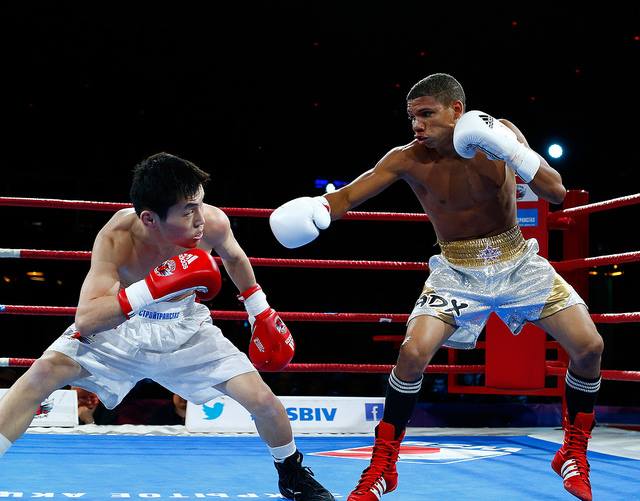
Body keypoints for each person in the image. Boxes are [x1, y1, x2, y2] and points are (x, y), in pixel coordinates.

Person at [269, 73, 603, 501]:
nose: (417, 126)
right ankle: (384, 464)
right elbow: (347, 197)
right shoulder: (407, 158)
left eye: (426, 114)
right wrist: (316, 209)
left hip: (518, 261)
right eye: (412, 117)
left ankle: (573, 452)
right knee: (412, 353)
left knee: (590, 347)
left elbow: (555, 191)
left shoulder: (498, 134)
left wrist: (508, 148)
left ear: (456, 110)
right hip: (457, 271)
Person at [0, 152, 334, 501]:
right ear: (150, 218)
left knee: (264, 400)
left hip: (187, 328)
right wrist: (150, 288)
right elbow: (87, 318)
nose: (200, 220)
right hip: (122, 327)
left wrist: (258, 310)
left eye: (200, 205)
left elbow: (235, 258)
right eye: (188, 210)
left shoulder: (213, 223)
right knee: (41, 374)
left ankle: (293, 474)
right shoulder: (117, 237)